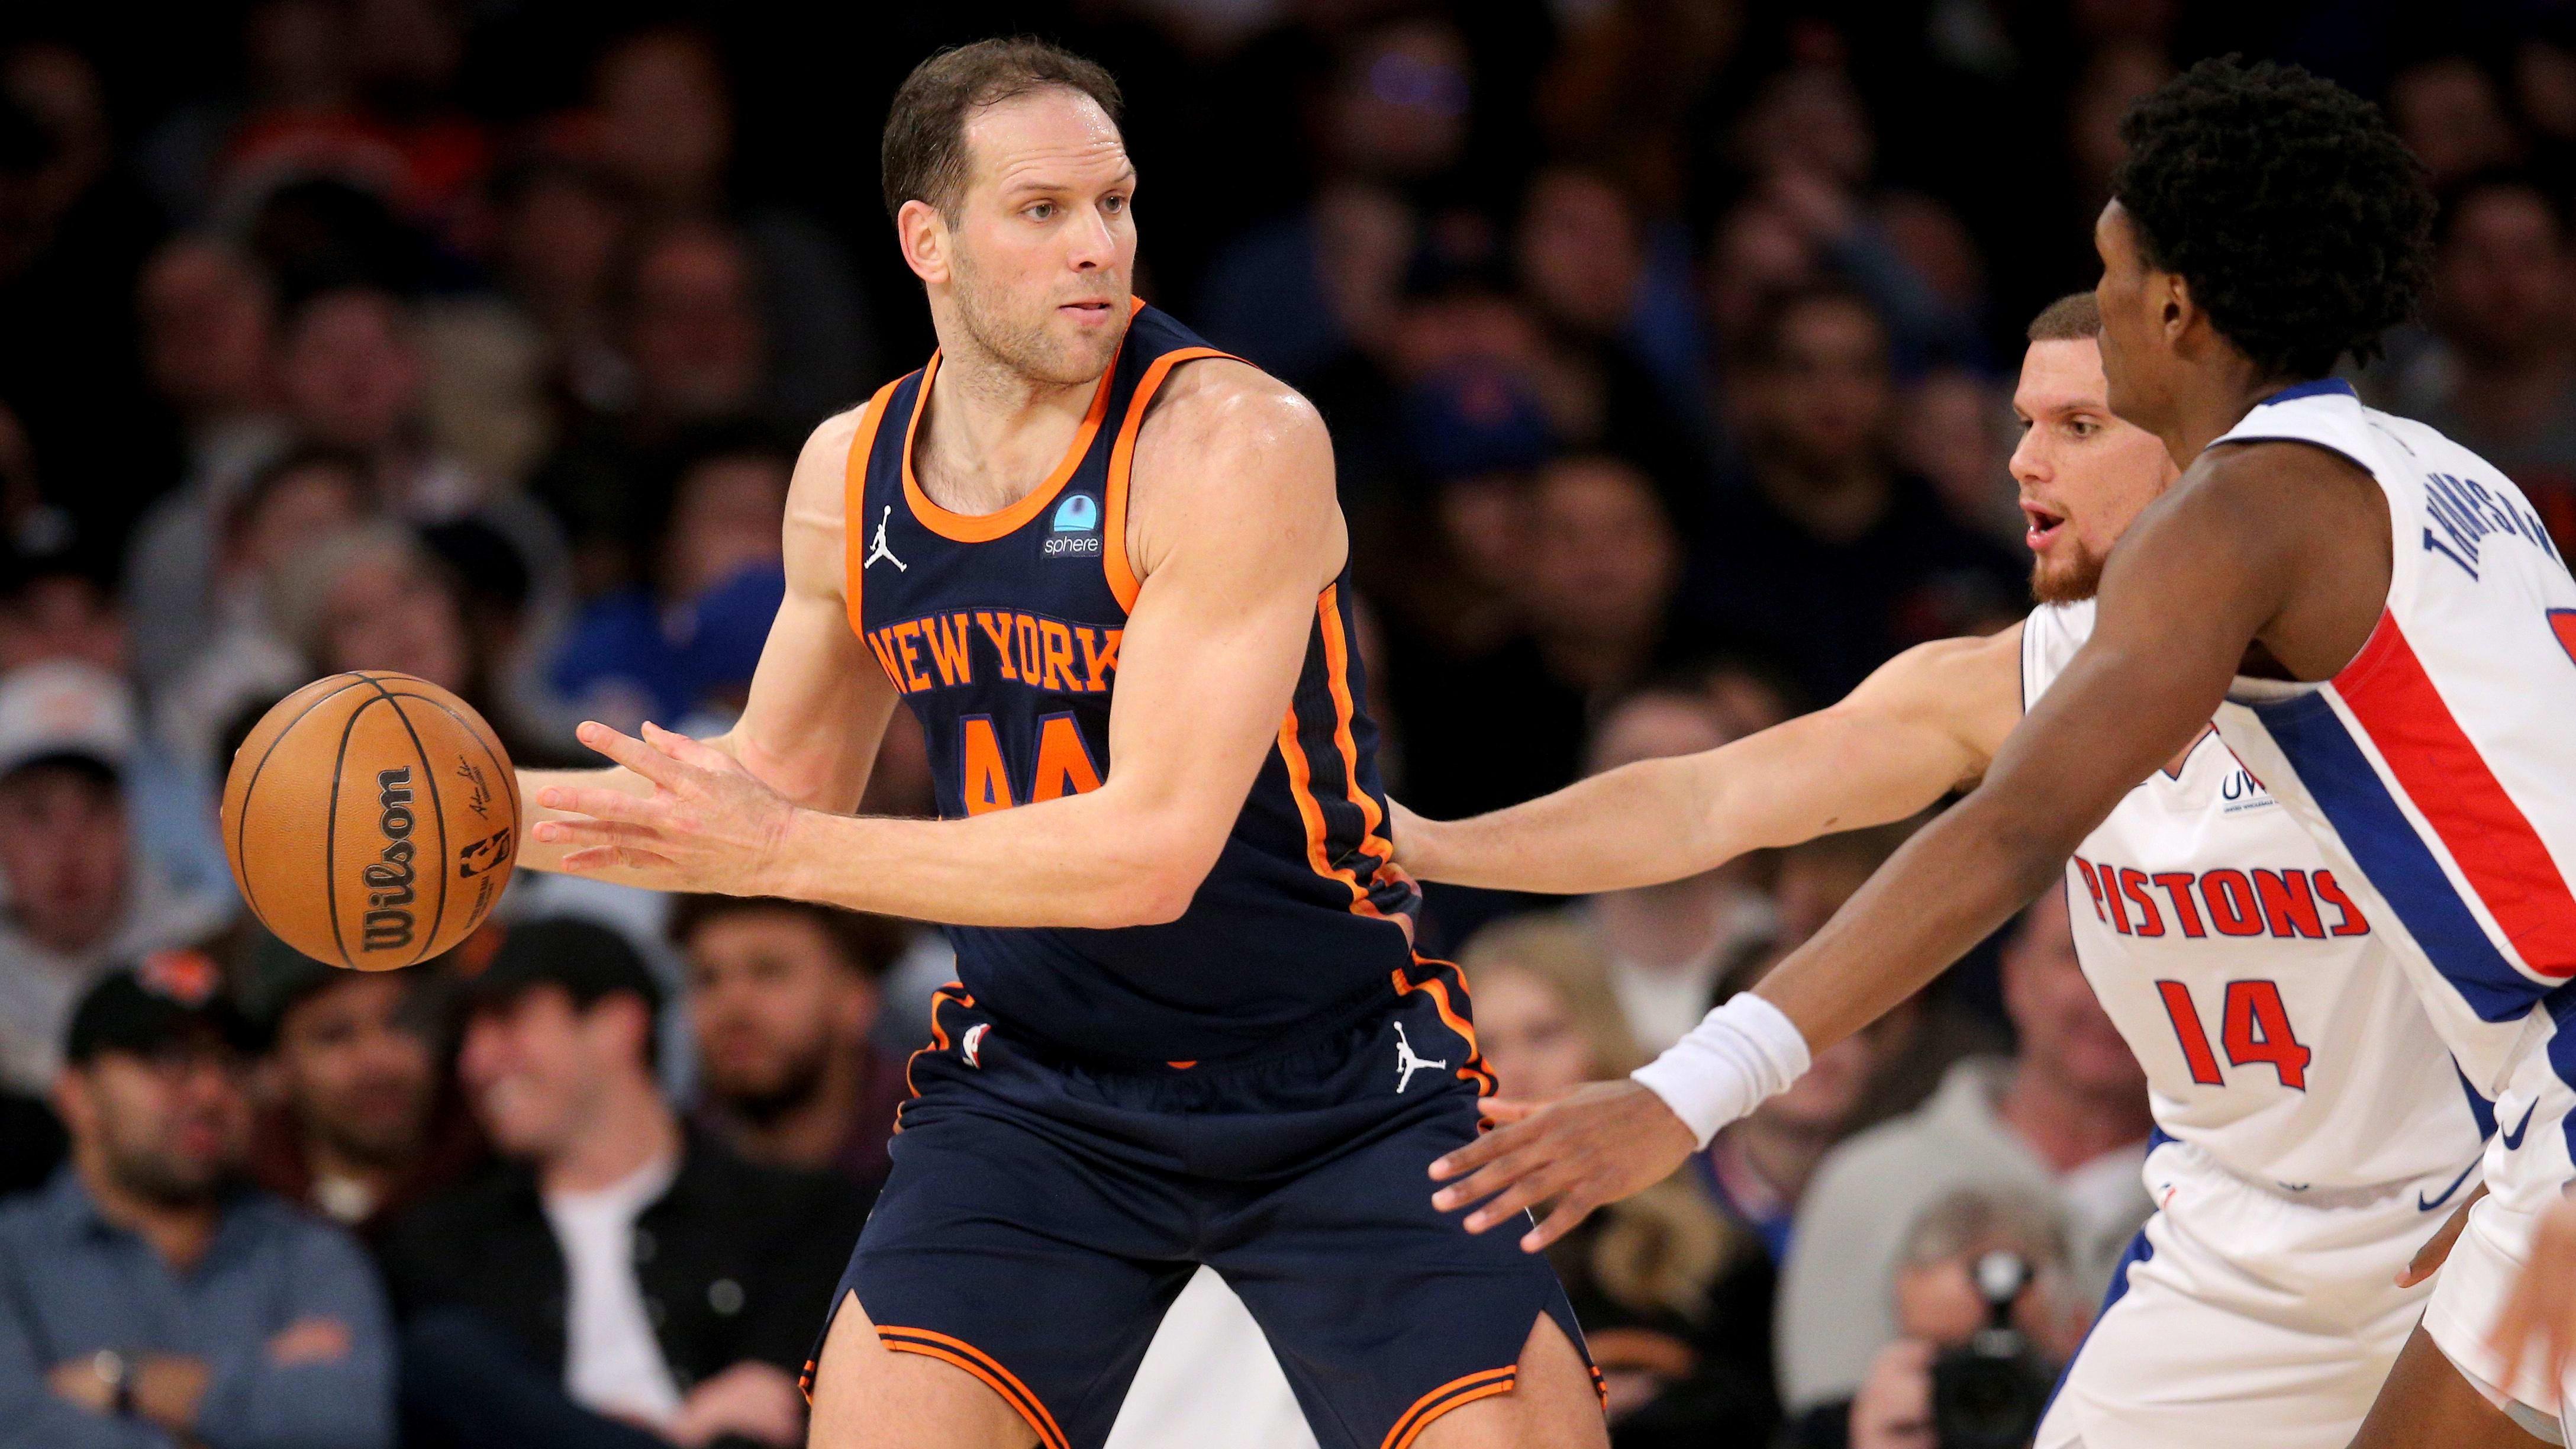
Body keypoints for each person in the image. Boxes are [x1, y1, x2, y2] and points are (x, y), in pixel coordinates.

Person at [1418, 58, 2576, 1449]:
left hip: (2511, 1149)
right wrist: (1420, 840)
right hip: (2250, 1229)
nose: (2026, 452)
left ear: (2172, 304)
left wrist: (1680, 1091)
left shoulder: (2246, 506)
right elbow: (1717, 793)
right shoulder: (2455, 483)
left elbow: (2003, 836)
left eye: (2104, 276)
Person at [517, 39, 1604, 1449]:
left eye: (1115, 204)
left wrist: (784, 849)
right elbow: (774, 782)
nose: (1097, 246)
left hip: (1330, 1075)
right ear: (929, 241)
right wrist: (478, 818)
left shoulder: (1232, 441)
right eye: (1042, 211)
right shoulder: (848, 469)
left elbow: (1148, 854)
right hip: (1037, 1084)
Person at [382, 918, 861, 1449]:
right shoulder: (441, 1242)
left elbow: (781, 1410)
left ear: (616, 1025)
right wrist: (677, 1435)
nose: (474, 1062)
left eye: (507, 1020)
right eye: (465, 1036)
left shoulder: (796, 1215)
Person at [1777, 889, 2153, 1413]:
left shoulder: (2236, 1201)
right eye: (2080, 956)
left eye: (2149, 958)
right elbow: (1823, 1417)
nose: (2110, 992)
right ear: (2014, 978)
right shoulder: (1867, 1184)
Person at [0, 955, 395, 1449]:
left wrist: (123, 1381)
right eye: (169, 1059)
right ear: (77, 1096)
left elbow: (348, 1425)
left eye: (229, 1065)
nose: (211, 1091)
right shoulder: (12, 1254)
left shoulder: (310, 1253)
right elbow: (18, 1431)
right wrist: (254, 1394)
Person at [0, 661, 230, 1097]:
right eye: (35, 814)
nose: (69, 848)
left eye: (95, 809)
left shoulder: (205, 944)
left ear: (131, 819)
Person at [1811, 1186, 2092, 1449]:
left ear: (2080, 1333)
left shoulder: (2124, 1424)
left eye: (2013, 1352)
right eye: (1947, 1353)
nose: (1986, 1388)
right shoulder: (1830, 1434)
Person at [671, 893, 906, 1196]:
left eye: (769, 972)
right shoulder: (669, 1169)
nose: (731, 1007)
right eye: (707, 979)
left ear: (857, 998)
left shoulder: (946, 1156)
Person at [245, 949, 482, 1238]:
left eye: (402, 1021)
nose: (380, 1061)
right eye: (335, 1034)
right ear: (276, 1067)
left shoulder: (519, 1180)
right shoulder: (240, 1219)